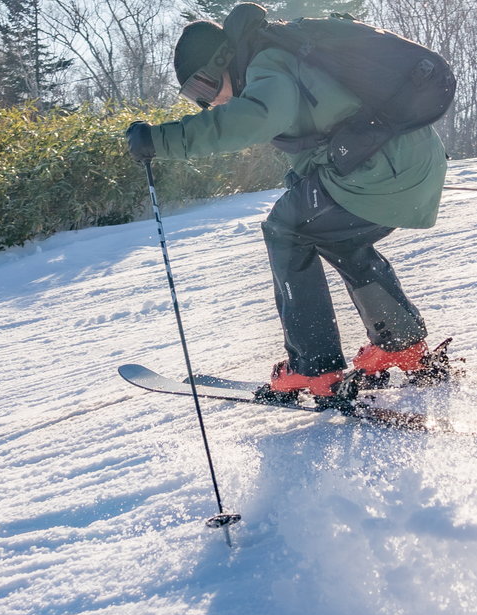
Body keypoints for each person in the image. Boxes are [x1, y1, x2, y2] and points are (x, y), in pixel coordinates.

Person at [126, 3, 446, 403]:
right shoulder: (287, 55)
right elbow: (327, 125)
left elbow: (254, 118)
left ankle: (314, 368)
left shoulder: (267, 62)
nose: (208, 102)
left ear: (223, 59)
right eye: (194, 96)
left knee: (286, 229)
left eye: (204, 86)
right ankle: (401, 344)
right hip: (408, 166)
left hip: (380, 170)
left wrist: (161, 140)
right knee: (336, 236)